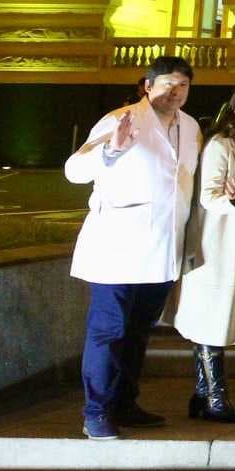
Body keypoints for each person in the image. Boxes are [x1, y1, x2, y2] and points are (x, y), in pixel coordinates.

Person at [65, 55, 201, 441]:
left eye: (183, 85)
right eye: (167, 84)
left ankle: (124, 403)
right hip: (118, 247)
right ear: (148, 86)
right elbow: (74, 171)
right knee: (109, 330)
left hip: (163, 250)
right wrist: (111, 151)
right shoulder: (120, 120)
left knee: (139, 331)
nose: (175, 92)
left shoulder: (191, 128)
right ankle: (96, 412)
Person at [168, 79, 235, 425]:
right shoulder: (222, 143)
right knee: (212, 319)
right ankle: (215, 398)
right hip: (215, 244)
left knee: (212, 318)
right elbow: (209, 196)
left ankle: (203, 395)